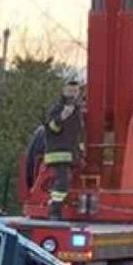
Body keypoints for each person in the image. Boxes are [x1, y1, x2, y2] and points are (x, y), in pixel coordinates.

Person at [43, 80, 84, 219]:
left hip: (70, 152)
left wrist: (81, 148)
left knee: (65, 181)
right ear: (63, 91)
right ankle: (54, 209)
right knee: (62, 181)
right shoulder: (57, 108)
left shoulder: (76, 110)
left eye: (75, 91)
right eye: (70, 91)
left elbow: (78, 131)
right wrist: (61, 117)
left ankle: (57, 206)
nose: (73, 94)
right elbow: (51, 129)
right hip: (58, 153)